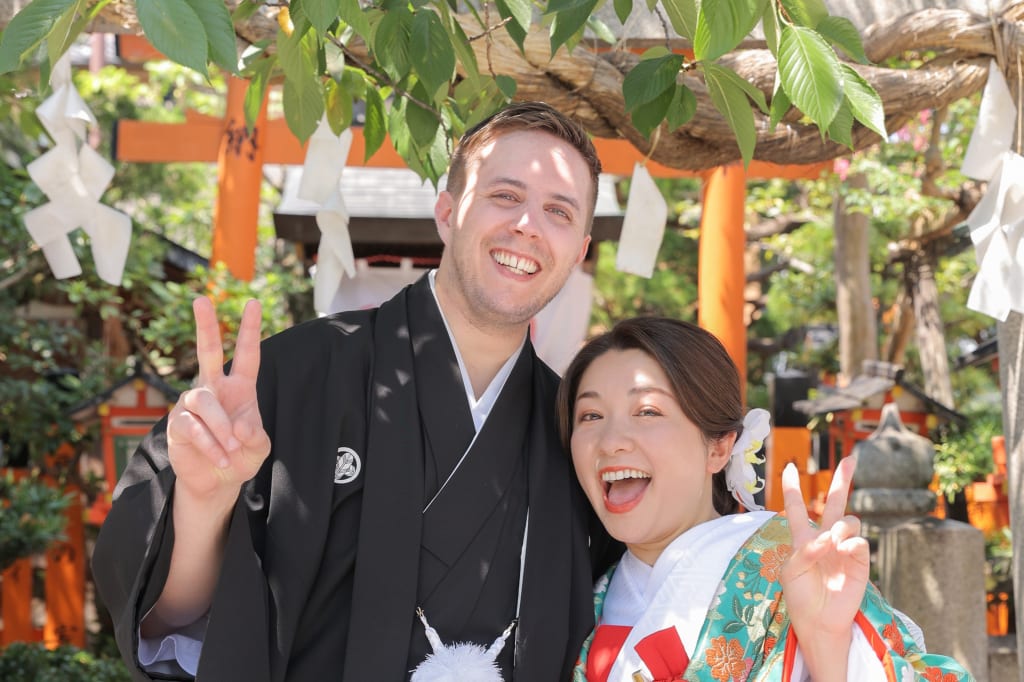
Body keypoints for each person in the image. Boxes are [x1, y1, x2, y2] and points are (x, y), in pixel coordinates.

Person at [92, 102, 618, 682]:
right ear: (447, 213)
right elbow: (171, 624)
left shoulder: (576, 429)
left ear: (581, 249)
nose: (528, 226)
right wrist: (202, 504)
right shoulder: (299, 374)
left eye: (558, 211)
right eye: (505, 196)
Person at [557, 316, 976, 681]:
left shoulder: (789, 562)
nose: (611, 442)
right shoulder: (580, 600)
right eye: (590, 416)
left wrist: (829, 645)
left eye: (647, 411)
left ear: (720, 447)